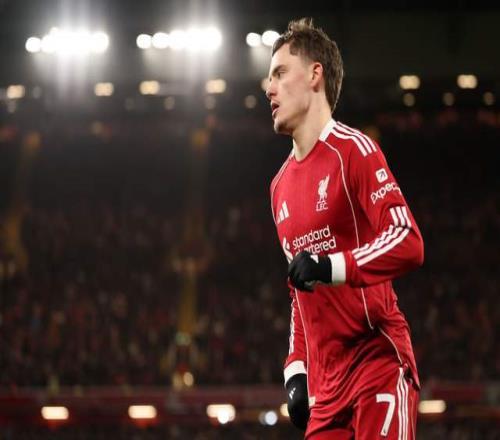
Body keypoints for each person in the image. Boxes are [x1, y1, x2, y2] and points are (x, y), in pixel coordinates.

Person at [266, 18, 424, 440]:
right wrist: (295, 368)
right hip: (325, 390)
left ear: (314, 74)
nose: (269, 88)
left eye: (280, 73)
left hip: (377, 362)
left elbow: (407, 240)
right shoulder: (279, 187)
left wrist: (329, 266)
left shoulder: (354, 150)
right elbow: (298, 289)